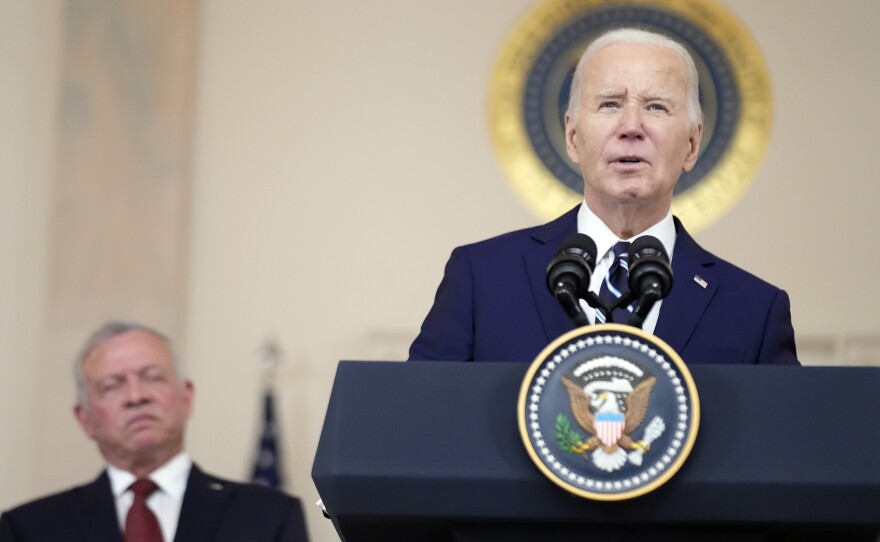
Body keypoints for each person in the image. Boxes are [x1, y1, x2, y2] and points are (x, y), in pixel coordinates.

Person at [409, 28, 798, 365]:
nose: (631, 126)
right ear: (573, 136)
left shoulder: (755, 311)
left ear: (693, 145)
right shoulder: (482, 279)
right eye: (609, 103)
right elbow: (420, 419)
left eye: (656, 106)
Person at [0, 321, 309, 541]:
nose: (137, 396)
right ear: (85, 419)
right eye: (112, 386)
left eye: (153, 377)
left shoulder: (269, 516)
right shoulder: (28, 528)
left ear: (187, 397)